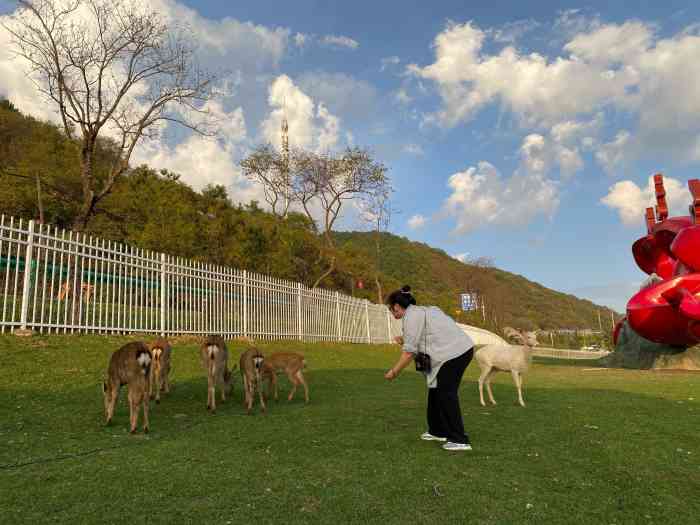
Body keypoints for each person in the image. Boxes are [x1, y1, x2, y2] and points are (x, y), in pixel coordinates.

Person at [384, 285, 475, 451]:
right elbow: (426, 335)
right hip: (457, 350)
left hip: (456, 353)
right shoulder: (421, 311)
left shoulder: (412, 317)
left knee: (447, 394)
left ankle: (460, 439)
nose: (392, 313)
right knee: (435, 391)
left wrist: (394, 372)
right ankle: (437, 430)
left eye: (391, 309)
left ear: (396, 306)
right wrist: (405, 339)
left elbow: (409, 352)